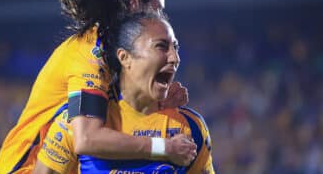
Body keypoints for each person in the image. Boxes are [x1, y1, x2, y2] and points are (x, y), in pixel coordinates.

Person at [0, 0, 194, 173]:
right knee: (76, 124)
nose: (161, 19)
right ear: (134, 5)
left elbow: (122, 109)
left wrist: (156, 98)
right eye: (156, 10)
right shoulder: (92, 53)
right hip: (26, 169)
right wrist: (163, 147)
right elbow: (87, 138)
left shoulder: (117, 50)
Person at [35, 11, 215, 174]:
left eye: (176, 47)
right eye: (161, 46)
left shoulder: (191, 125)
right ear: (124, 57)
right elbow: (85, 139)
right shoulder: (74, 120)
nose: (175, 58)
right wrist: (164, 148)